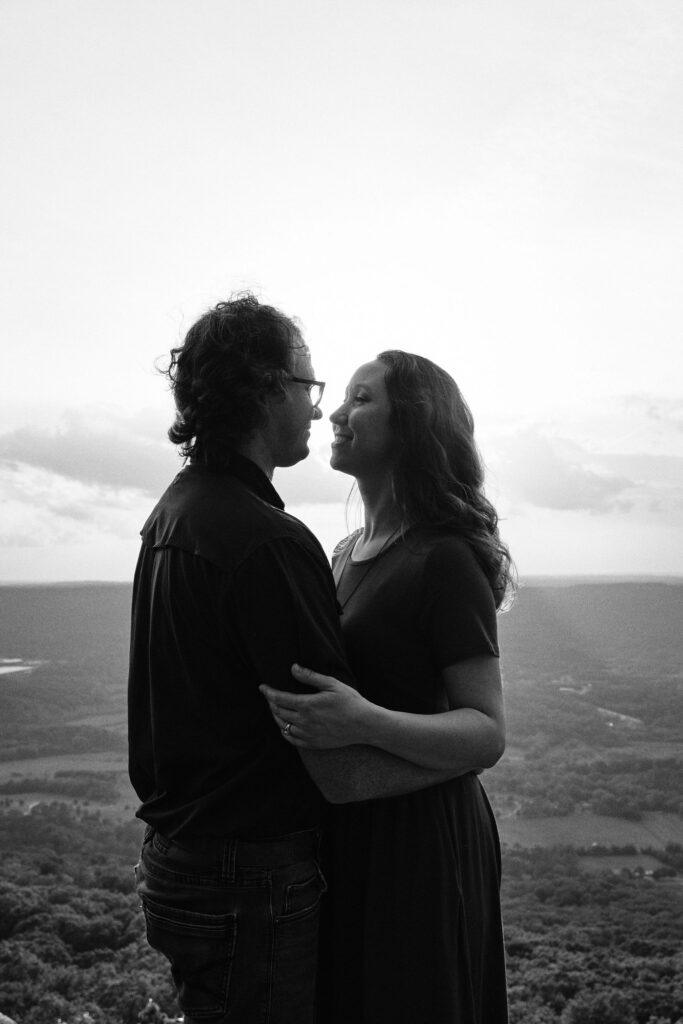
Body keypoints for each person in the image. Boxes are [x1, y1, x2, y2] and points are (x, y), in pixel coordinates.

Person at [128, 298, 479, 1024]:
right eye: (313, 389)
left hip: (183, 865)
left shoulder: (175, 511)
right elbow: (342, 773)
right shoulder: (272, 542)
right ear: (264, 387)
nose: (321, 413)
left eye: (351, 396)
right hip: (247, 880)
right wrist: (469, 757)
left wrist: (470, 740)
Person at [261, 350, 514, 1023]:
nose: (337, 414)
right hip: (352, 830)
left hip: (422, 841)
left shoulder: (444, 557)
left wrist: (364, 722)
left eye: (360, 398)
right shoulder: (343, 553)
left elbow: (485, 731)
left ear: (412, 423)